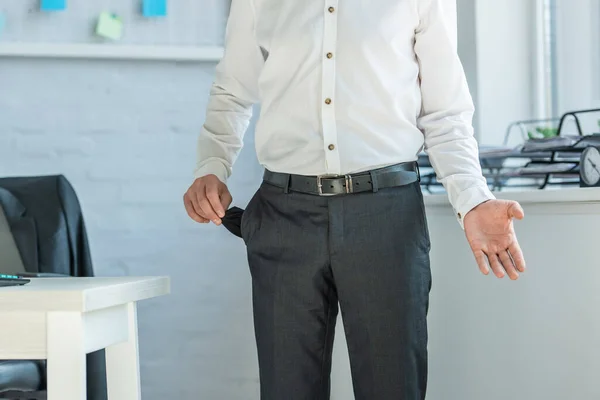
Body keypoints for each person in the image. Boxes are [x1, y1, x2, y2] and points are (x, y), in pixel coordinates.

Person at [183, 0, 526, 399]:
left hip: (386, 217)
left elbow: (445, 110)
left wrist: (473, 199)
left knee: (392, 387)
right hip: (283, 215)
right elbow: (232, 89)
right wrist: (211, 165)